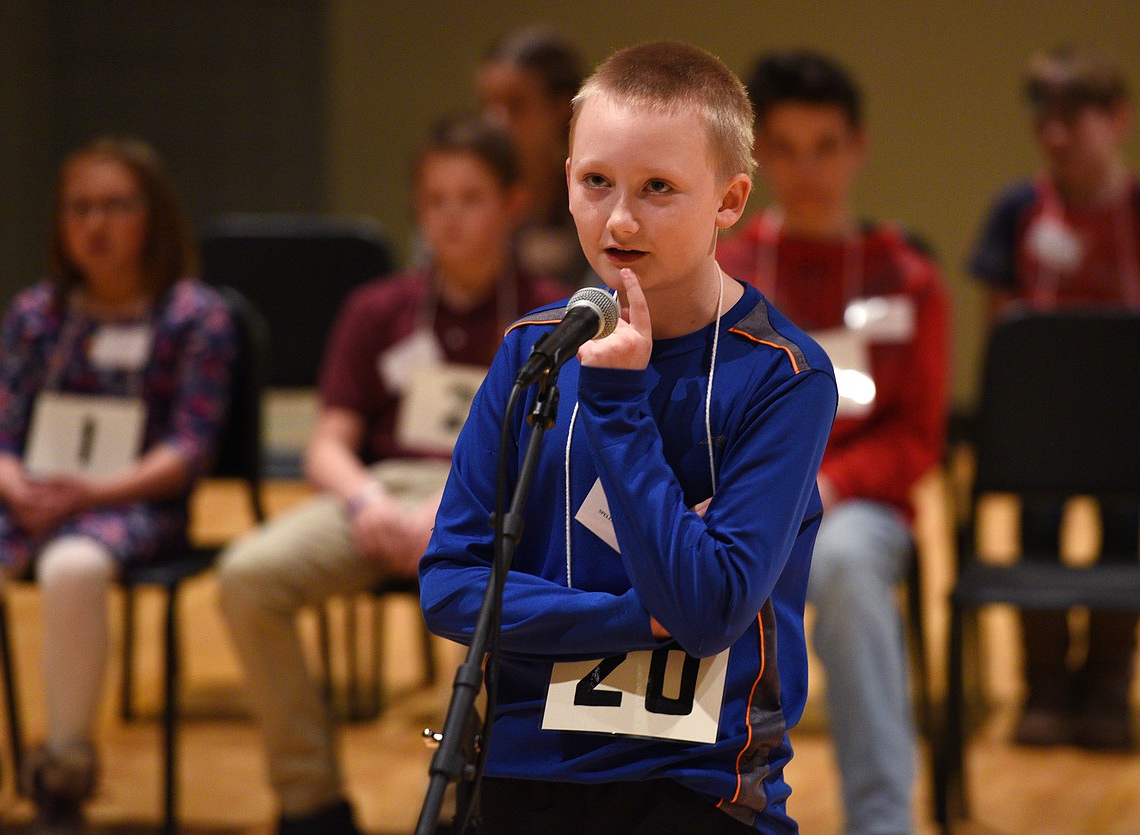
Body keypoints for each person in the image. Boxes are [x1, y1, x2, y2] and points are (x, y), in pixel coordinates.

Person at [420, 41, 837, 834]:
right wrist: (637, 618)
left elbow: (709, 610)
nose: (618, 218)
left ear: (730, 199)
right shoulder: (530, 350)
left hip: (693, 777)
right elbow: (450, 584)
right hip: (522, 758)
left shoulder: (786, 377)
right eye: (596, 182)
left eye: (658, 189)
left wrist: (617, 399)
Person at [217, 113, 566, 835]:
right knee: (248, 577)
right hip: (383, 497)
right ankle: (310, 800)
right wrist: (368, 498)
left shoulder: (552, 314)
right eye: (434, 200)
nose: (449, 217)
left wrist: (450, 511)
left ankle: (455, 807)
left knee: (484, 609)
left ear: (513, 205)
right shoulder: (378, 308)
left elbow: (556, 454)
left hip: (497, 505)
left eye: (469, 198)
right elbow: (326, 445)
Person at [0, 137, 236, 833]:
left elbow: (189, 445)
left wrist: (91, 493)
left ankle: (63, 773)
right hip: (30, 495)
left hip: (132, 503)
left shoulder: (193, 314)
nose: (96, 224)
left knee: (73, 568)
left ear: (153, 218)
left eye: (116, 206)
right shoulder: (36, 312)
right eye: (80, 208)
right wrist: (12, 484)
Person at [716, 51, 950, 834]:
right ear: (757, 159)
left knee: (846, 564)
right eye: (785, 148)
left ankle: (884, 820)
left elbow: (917, 437)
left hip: (856, 508)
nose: (807, 168)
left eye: (826, 146)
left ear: (858, 147)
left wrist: (830, 485)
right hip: (745, 499)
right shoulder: (728, 271)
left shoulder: (908, 279)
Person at [968, 44, 1140, 750]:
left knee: (1126, 537)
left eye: (1076, 117)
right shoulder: (1018, 208)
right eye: (1045, 117)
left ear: (1118, 119)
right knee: (1035, 533)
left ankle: (1107, 685)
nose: (1056, 135)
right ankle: (1043, 685)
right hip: (1041, 430)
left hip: (1129, 429)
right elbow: (1001, 325)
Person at [478, 25, 591, 288]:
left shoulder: (598, 194)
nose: (496, 122)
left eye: (516, 104)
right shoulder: (468, 199)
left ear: (561, 107)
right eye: (488, 104)